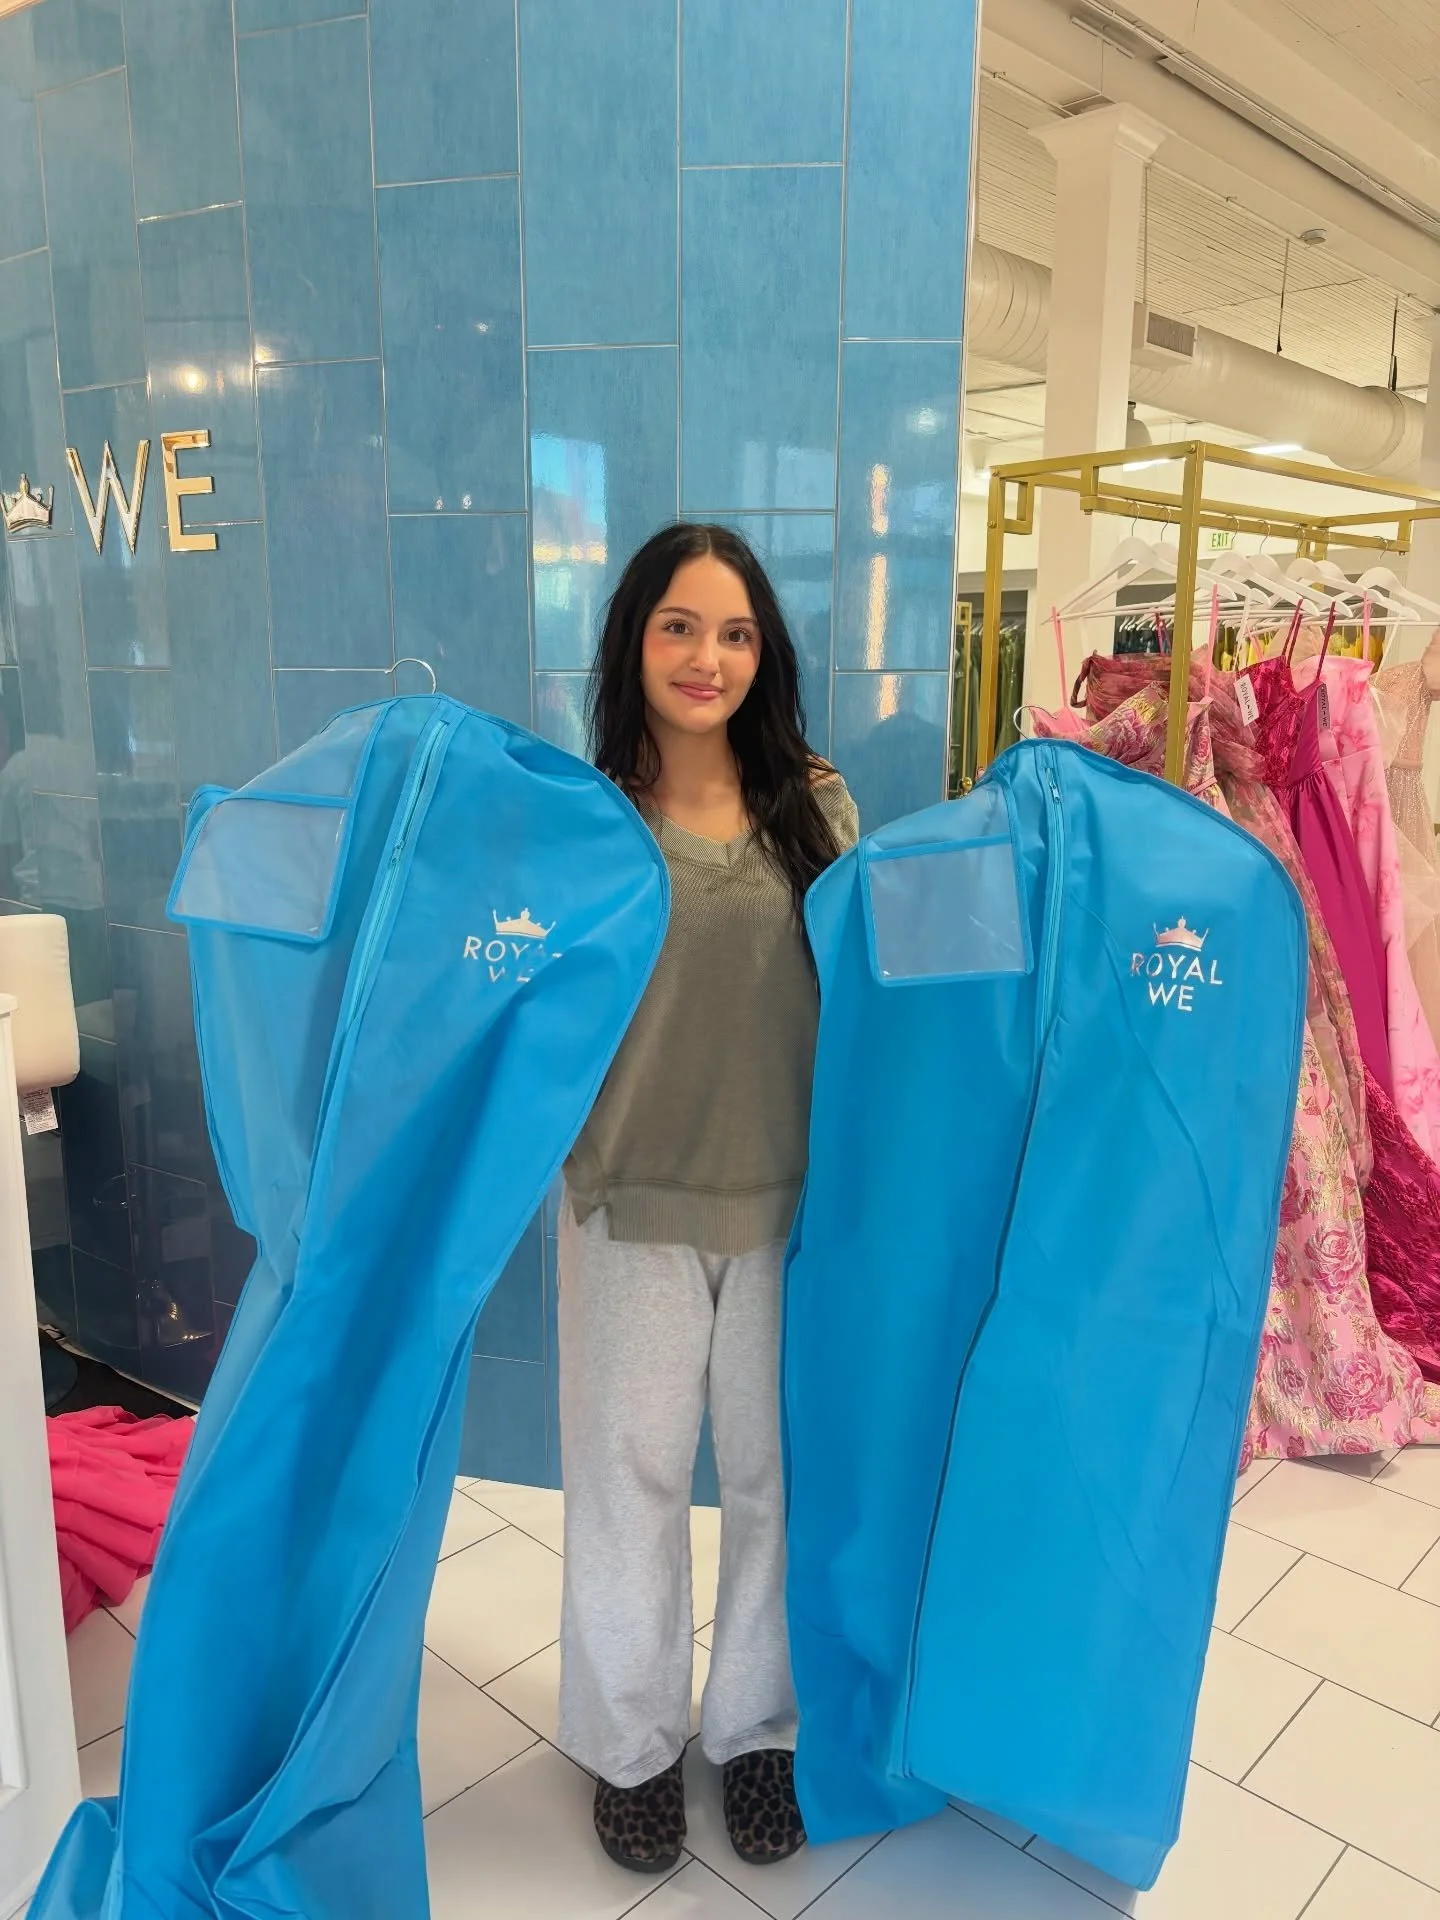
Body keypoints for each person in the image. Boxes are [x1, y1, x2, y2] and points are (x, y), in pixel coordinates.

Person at [557, 523, 859, 1874]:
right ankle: (630, 1749)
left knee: (774, 1485)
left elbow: (874, 1000)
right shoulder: (587, 823)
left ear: (763, 654)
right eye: (679, 625)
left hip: (790, 1208)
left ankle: (757, 1736)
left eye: (735, 632)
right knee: (625, 1487)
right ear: (634, 640)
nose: (707, 656)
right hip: (625, 1200)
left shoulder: (819, 811)